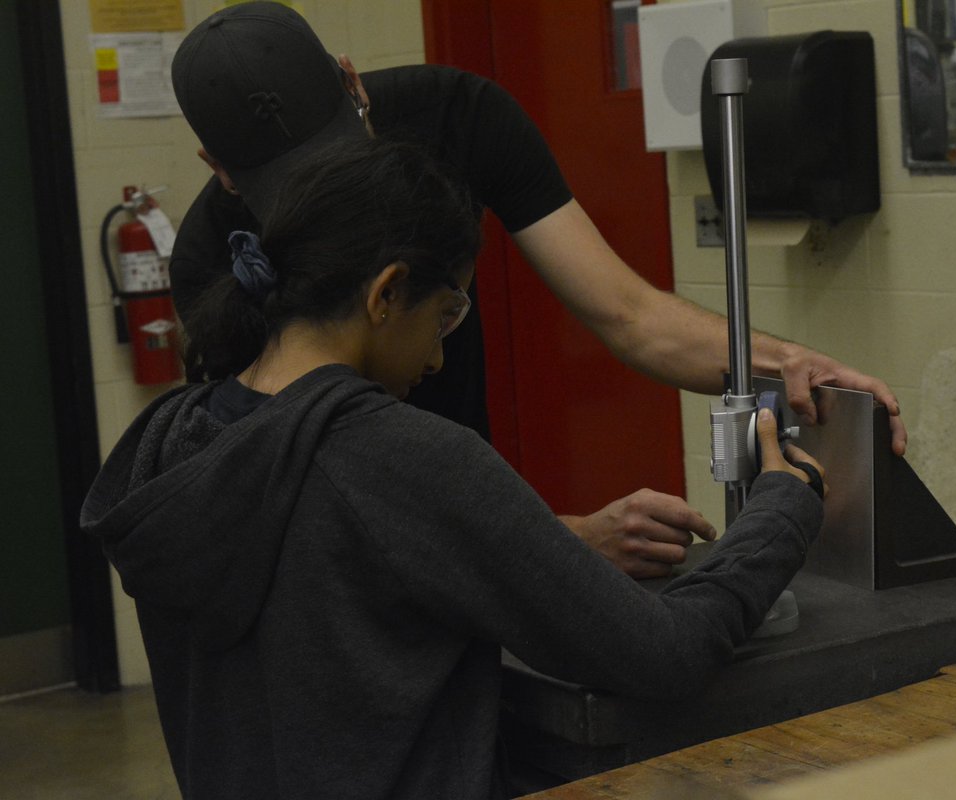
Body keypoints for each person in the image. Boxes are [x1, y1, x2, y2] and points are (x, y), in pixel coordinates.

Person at [80, 135, 826, 800]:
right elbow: (662, 653)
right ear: (386, 293)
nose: (439, 357)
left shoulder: (174, 442)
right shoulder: (402, 456)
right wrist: (779, 509)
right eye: (444, 315)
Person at [166, 2, 892, 577]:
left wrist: (788, 364)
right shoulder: (212, 265)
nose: (333, 201)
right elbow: (321, 511)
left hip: (474, 534)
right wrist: (561, 543)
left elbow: (631, 314)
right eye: (299, 191)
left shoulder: (459, 117)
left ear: (354, 84)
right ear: (219, 169)